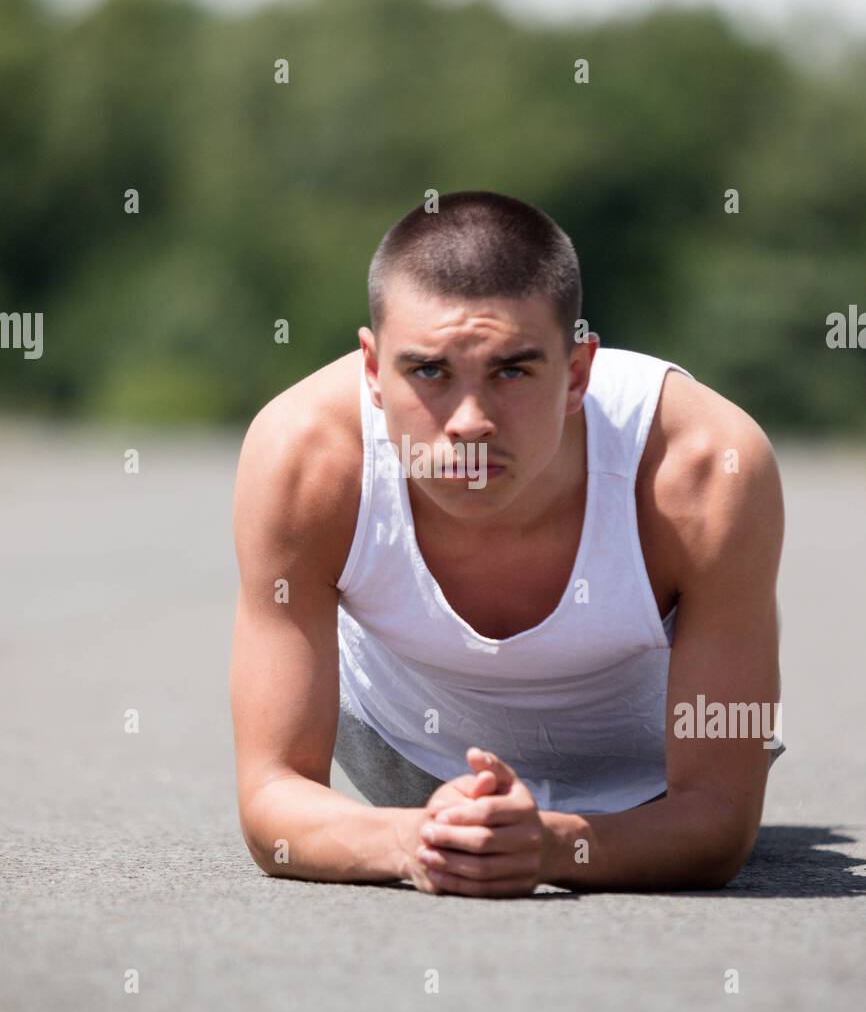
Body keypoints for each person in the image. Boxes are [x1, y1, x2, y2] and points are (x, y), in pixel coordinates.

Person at [229, 190, 785, 897]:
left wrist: (553, 848)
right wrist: (411, 840)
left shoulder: (706, 465)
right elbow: (273, 791)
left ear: (579, 371)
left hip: (652, 782)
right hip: (412, 760)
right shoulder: (303, 454)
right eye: (428, 371)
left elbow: (717, 818)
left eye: (512, 372)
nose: (470, 422)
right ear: (371, 369)